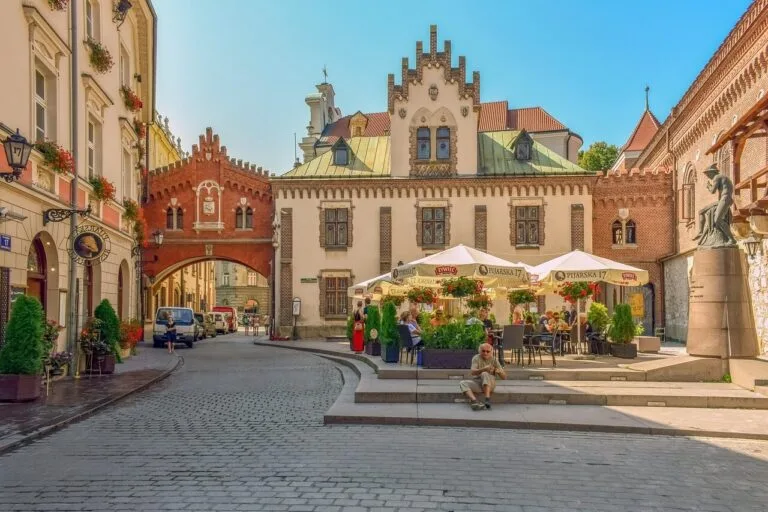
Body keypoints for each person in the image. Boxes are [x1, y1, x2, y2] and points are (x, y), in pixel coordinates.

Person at [459, 343, 507, 410]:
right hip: (479, 383)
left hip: (490, 384)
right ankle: (475, 401)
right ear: (480, 351)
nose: (485, 353)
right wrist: (484, 369)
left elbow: (504, 377)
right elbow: (473, 372)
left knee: (485, 374)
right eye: (483, 351)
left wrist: (499, 372)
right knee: (462, 383)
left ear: (491, 352)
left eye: (488, 351)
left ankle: (487, 399)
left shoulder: (494, 360)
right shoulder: (476, 358)